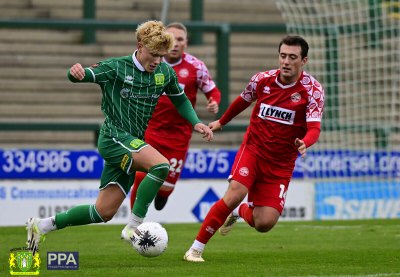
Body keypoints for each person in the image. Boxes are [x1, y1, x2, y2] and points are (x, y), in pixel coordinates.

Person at [25, 20, 213, 254]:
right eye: (153, 54)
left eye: (162, 56)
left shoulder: (164, 72)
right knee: (161, 166)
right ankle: (134, 227)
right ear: (140, 45)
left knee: (102, 212)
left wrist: (196, 122)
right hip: (114, 137)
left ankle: (41, 226)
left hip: (131, 142)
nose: (157, 61)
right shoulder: (116, 67)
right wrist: (75, 73)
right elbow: (84, 75)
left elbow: (180, 99)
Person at [183, 35, 324, 262]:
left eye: (292, 57)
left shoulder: (313, 90)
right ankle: (196, 249)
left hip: (281, 163)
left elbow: (315, 128)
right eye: (283, 56)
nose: (286, 61)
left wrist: (305, 141)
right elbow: (242, 100)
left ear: (304, 61)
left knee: (264, 223)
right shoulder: (262, 80)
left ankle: (239, 213)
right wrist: (221, 122)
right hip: (254, 150)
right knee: (235, 194)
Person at [129, 22, 221, 211]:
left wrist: (213, 101)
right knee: (140, 175)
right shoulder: (151, 62)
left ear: (186, 43)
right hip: (151, 130)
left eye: (180, 39)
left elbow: (212, 90)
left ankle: (163, 194)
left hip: (179, 135)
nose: (176, 43)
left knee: (165, 188)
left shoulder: (196, 66)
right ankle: (134, 225)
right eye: (172, 38)